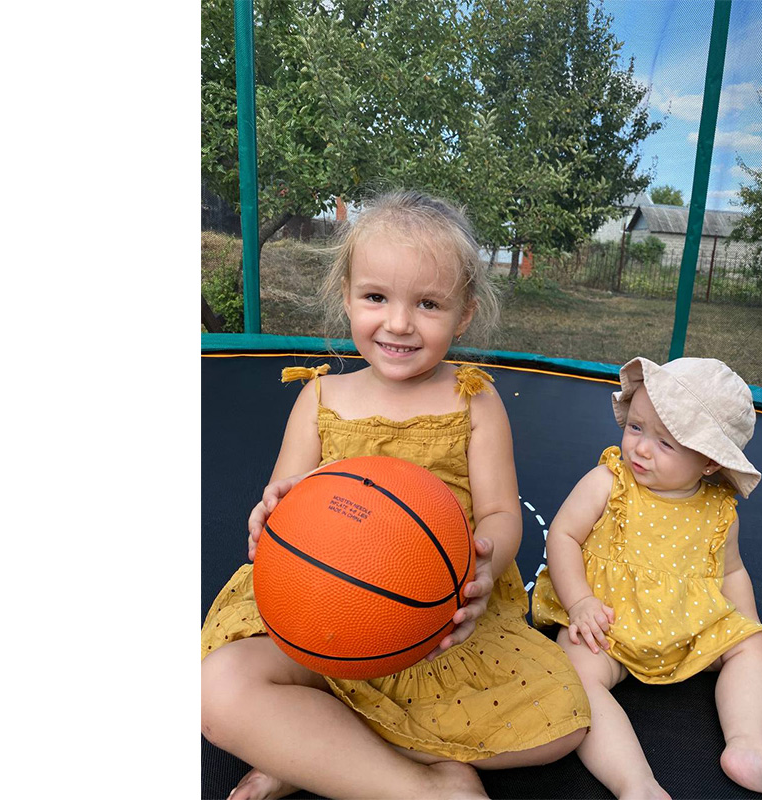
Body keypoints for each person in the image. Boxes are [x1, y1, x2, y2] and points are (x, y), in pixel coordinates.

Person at [200, 191, 590, 800]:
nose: (399, 323)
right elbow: (281, 498)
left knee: (561, 724)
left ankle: (307, 750)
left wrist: (485, 567)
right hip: (319, 612)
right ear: (347, 295)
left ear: (463, 314)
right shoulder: (320, 398)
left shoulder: (473, 400)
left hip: (432, 621)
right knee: (216, 690)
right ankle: (428, 787)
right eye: (376, 297)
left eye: (428, 304)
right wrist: (270, 518)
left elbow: (499, 513)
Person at [532, 357, 762, 800]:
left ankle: (750, 744)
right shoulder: (608, 481)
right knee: (574, 672)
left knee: (751, 645)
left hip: (687, 628)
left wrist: (750, 627)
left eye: (665, 443)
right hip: (608, 623)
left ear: (710, 461)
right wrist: (579, 602)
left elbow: (733, 572)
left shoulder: (719, 512)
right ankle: (635, 782)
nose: (640, 449)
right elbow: (563, 535)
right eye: (636, 427)